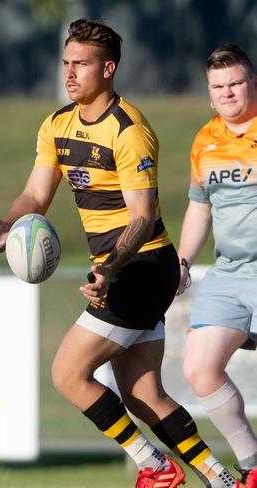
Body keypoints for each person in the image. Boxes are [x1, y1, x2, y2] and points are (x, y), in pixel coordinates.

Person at [0, 19, 239, 488]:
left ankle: (153, 465)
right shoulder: (57, 124)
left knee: (68, 373)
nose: (70, 73)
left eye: (81, 64)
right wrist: (10, 223)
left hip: (140, 265)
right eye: (66, 63)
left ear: (109, 68)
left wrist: (110, 268)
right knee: (143, 395)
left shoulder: (130, 130)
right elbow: (35, 195)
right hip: (119, 271)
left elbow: (141, 216)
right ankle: (221, 478)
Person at [177, 44, 257, 488]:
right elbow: (198, 209)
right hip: (229, 274)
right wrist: (183, 261)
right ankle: (252, 465)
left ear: (253, 84)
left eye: (235, 83)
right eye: (218, 87)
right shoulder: (204, 140)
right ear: (209, 94)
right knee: (199, 368)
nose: (227, 93)